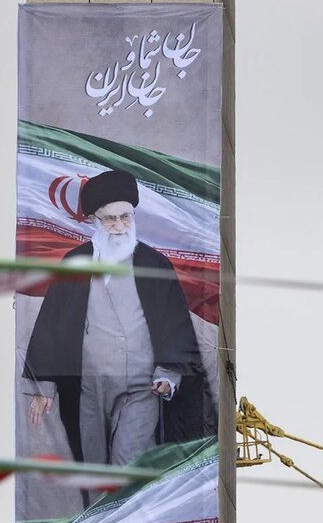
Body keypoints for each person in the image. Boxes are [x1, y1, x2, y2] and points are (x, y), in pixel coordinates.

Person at [22, 168, 213, 469]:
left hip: (141, 386)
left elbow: (175, 325)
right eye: (110, 219)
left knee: (128, 461)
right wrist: (44, 386)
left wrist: (168, 374)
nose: (119, 226)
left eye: (126, 217)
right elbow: (53, 323)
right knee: (94, 465)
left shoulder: (154, 264)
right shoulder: (75, 263)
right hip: (89, 387)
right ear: (93, 220)